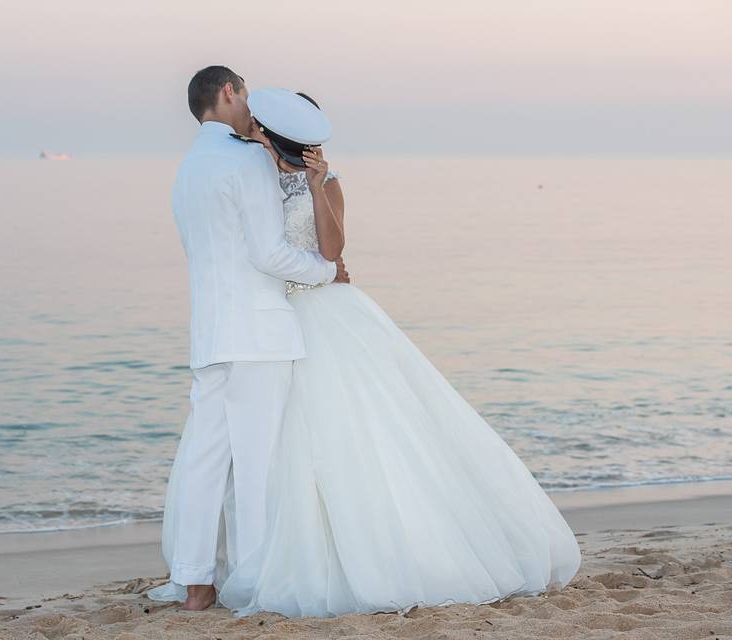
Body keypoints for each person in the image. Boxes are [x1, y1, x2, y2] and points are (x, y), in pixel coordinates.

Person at [207, 88, 583, 618]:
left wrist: (316, 185)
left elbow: (334, 250)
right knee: (283, 438)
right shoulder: (253, 175)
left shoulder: (328, 181)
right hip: (275, 317)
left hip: (326, 313)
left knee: (350, 430)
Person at [146, 67, 349, 612]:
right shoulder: (246, 161)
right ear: (229, 91)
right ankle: (255, 581)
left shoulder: (188, 167)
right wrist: (329, 273)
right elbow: (268, 253)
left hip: (209, 335)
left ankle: (195, 584)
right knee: (257, 466)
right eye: (246, 91)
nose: (252, 103)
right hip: (258, 336)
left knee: (205, 459)